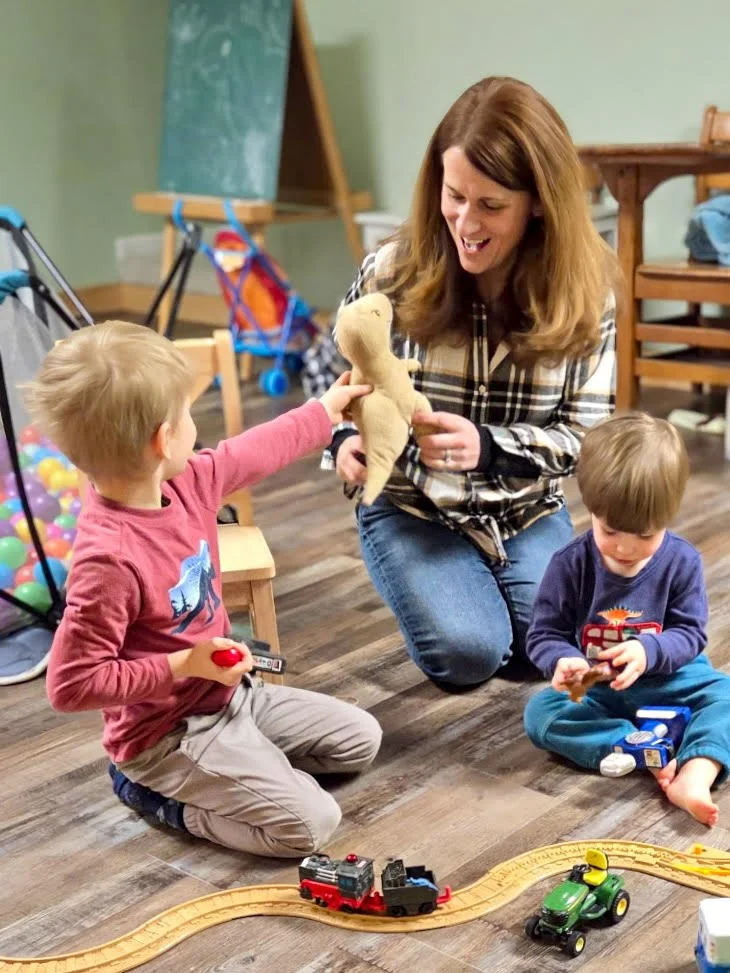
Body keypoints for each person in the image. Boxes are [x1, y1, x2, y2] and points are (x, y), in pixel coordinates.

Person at [24, 321, 381, 858]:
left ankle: (244, 768)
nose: (198, 426)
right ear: (163, 439)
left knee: (362, 739)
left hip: (232, 697)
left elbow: (257, 450)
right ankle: (154, 793)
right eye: (190, 412)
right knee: (310, 825)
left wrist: (327, 408)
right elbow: (71, 685)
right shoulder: (108, 560)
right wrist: (184, 664)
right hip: (168, 736)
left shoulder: (185, 479)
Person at [313, 76, 618, 689]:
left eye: (490, 206)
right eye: (454, 196)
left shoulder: (586, 296)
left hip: (525, 509)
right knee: (470, 655)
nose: (464, 221)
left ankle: (491, 589)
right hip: (411, 506)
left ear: (538, 202)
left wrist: (490, 447)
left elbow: (586, 439)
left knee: (559, 651)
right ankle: (444, 583)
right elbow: (324, 371)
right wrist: (339, 444)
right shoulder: (392, 270)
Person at [524, 413, 730, 827]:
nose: (626, 548)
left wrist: (648, 650)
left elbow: (691, 633)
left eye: (645, 536)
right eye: (611, 530)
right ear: (593, 510)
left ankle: (696, 772)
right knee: (541, 713)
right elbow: (544, 633)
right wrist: (562, 660)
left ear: (668, 518)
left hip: (673, 679)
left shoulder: (682, 560)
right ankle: (632, 746)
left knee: (726, 698)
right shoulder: (570, 564)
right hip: (600, 687)